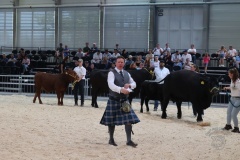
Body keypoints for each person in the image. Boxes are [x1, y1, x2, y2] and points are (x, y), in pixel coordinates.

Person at [100, 56, 140, 147]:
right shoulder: (111, 73)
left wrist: (129, 85)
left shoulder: (126, 73)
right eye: (119, 62)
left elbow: (134, 84)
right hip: (114, 100)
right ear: (115, 63)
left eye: (122, 62)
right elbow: (111, 85)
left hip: (124, 101)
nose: (120, 64)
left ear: (124, 63)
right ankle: (111, 139)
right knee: (111, 121)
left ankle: (129, 141)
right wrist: (121, 90)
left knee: (129, 120)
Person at [223, 68, 240, 133]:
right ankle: (228, 125)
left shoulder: (239, 82)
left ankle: (236, 128)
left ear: (232, 74)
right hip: (232, 98)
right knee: (228, 112)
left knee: (233, 114)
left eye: (229, 73)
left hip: (238, 99)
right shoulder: (232, 80)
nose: (228, 75)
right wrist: (227, 88)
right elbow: (232, 87)